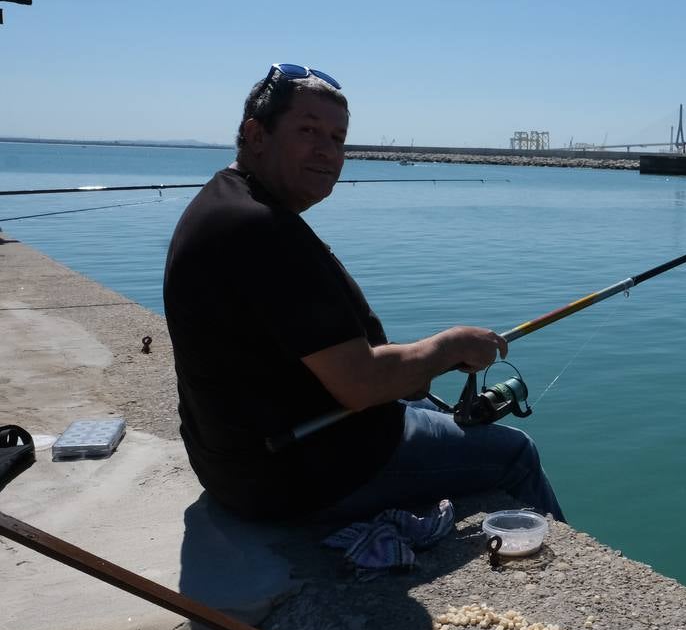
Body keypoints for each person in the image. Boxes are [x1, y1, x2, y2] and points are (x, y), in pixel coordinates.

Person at [163, 64, 564, 524]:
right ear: (256, 135)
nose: (327, 151)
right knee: (516, 452)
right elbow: (361, 385)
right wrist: (449, 345)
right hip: (296, 475)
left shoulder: (224, 203)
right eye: (308, 131)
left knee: (415, 397)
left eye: (337, 139)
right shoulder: (261, 230)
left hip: (236, 461)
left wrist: (418, 367)